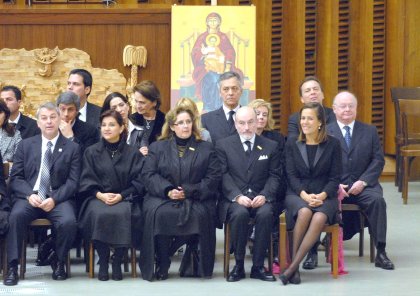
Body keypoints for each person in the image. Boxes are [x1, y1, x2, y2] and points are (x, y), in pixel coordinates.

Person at [140, 105, 221, 281]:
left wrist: (189, 191)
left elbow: (213, 178)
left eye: (188, 122)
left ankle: (187, 256)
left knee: (198, 215)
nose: (185, 126)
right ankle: (162, 261)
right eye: (181, 123)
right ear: (172, 126)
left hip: (196, 198)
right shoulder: (157, 147)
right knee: (160, 214)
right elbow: (148, 175)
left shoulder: (206, 148)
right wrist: (168, 190)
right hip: (163, 198)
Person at [3, 102, 80, 286]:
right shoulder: (25, 145)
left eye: (53, 117)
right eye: (44, 118)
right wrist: (29, 194)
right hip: (31, 197)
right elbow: (16, 178)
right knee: (16, 217)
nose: (49, 122)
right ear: (38, 123)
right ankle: (12, 266)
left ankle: (59, 261)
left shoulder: (72, 148)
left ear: (60, 120)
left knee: (69, 222)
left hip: (58, 198)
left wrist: (54, 198)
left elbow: (73, 182)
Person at [327, 91, 394, 270]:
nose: (347, 109)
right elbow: (320, 162)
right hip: (335, 187)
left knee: (378, 202)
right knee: (318, 205)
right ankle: (312, 253)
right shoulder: (325, 132)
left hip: (364, 187)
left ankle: (381, 251)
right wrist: (334, 184)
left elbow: (378, 160)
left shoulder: (369, 131)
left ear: (356, 108)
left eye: (351, 105)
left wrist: (363, 181)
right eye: (343, 106)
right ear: (334, 109)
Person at [216, 106, 282, 282]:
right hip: (235, 199)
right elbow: (222, 174)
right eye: (242, 123)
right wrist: (237, 196)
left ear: (257, 122)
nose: (246, 127)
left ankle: (258, 266)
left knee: (266, 213)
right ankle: (238, 265)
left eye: (250, 122)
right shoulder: (223, 145)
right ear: (236, 124)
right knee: (239, 214)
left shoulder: (271, 146)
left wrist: (266, 195)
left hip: (261, 197)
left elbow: (275, 175)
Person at [279, 102, 342, 285]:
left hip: (325, 195)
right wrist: (304, 195)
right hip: (297, 194)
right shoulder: (292, 142)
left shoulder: (333, 144)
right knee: (305, 211)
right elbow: (290, 174)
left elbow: (335, 177)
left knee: (319, 217)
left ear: (320, 122)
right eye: (303, 118)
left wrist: (322, 195)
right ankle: (295, 268)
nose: (304, 122)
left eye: (310, 118)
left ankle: (291, 267)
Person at [78, 110, 145, 281]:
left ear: (122, 128)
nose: (107, 128)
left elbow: (139, 182)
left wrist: (121, 196)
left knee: (124, 213)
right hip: (97, 197)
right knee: (100, 213)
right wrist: (100, 195)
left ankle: (117, 259)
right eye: (104, 125)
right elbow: (86, 179)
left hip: (125, 197)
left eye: (112, 124)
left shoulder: (133, 153)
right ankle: (104, 257)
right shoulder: (91, 152)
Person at [248, 98, 286, 272]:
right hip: (248, 189)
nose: (261, 118)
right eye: (257, 114)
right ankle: (254, 239)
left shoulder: (277, 138)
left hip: (271, 188)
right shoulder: (242, 137)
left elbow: (280, 169)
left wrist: (267, 192)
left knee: (279, 201)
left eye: (265, 114)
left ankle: (276, 248)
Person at [191, 12, 244, 112]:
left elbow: (230, 51)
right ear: (207, 22)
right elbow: (195, 52)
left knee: (220, 79)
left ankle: (220, 106)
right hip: (206, 68)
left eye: (215, 20)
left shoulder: (223, 37)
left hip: (222, 67)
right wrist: (204, 57)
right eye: (210, 20)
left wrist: (227, 65)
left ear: (219, 22)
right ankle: (209, 106)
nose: (213, 22)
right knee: (213, 80)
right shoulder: (202, 37)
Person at [201, 71, 242, 144]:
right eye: (226, 89)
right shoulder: (206, 119)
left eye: (234, 88)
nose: (230, 93)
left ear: (241, 91)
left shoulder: (251, 117)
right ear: (219, 93)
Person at [56, 91, 99, 157]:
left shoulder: (90, 131)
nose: (66, 114)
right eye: (62, 109)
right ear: (57, 110)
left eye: (70, 109)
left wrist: (71, 138)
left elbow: (87, 157)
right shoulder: (51, 128)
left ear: (77, 111)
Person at [130, 80, 165, 156]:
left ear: (154, 102)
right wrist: (137, 153)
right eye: (136, 101)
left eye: (142, 102)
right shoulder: (131, 120)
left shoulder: (165, 121)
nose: (138, 106)